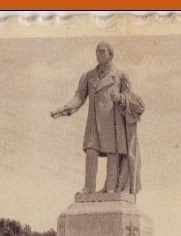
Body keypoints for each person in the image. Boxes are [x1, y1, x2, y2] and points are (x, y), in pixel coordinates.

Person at [51, 41, 144, 194]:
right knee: (91, 152)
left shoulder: (120, 76)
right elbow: (79, 97)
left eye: (102, 51)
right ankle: (89, 188)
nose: (98, 54)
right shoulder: (88, 76)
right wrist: (65, 109)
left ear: (110, 55)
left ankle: (110, 187)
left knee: (112, 154)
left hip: (113, 123)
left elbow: (131, 99)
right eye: (97, 52)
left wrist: (120, 97)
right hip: (93, 123)